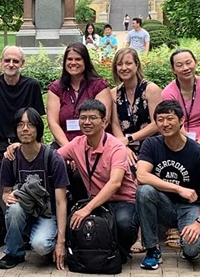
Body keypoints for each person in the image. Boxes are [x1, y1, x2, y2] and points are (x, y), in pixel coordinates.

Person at [136, 100, 200, 270]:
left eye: (170, 119)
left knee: (191, 250)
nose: (165, 124)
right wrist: (178, 188)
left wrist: (198, 222)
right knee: (144, 191)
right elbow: (142, 175)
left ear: (181, 120)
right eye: (160, 120)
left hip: (191, 207)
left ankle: (188, 244)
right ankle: (152, 250)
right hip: (164, 205)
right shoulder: (151, 144)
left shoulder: (198, 152)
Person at [0, 46, 45, 250]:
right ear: (1, 62)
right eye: (7, 61)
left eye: (16, 61)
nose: (11, 65)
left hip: (25, 145)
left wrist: (25, 143)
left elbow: (36, 123)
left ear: (22, 64)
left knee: (34, 183)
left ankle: (28, 229)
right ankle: (1, 226)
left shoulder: (31, 86)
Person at [57, 99, 139, 262]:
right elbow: (51, 158)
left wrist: (87, 208)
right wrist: (22, 147)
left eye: (93, 118)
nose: (87, 122)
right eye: (83, 118)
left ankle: (119, 252)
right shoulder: (76, 144)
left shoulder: (116, 147)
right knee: (76, 223)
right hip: (95, 200)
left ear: (104, 121)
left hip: (122, 201)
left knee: (123, 224)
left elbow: (115, 183)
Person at [0, 107, 70, 270]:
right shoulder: (11, 157)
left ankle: (49, 236)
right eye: (20, 125)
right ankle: (13, 253)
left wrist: (61, 242)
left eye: (30, 125)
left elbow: (61, 202)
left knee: (41, 246)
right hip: (24, 209)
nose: (25, 129)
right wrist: (7, 197)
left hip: (47, 213)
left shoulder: (53, 158)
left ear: (38, 128)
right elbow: (5, 193)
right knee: (14, 210)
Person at [46, 43, 111, 147]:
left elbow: (103, 120)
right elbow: (53, 123)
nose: (73, 62)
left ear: (85, 61)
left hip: (94, 144)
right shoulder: (56, 88)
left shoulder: (99, 86)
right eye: (70, 59)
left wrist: (83, 150)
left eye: (78, 59)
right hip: (64, 145)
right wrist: (69, 149)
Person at [109, 47, 161, 155]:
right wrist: (123, 146)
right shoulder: (114, 93)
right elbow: (115, 125)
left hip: (151, 146)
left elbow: (157, 123)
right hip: (125, 148)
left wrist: (129, 139)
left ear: (136, 65)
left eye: (128, 63)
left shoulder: (151, 89)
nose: (124, 68)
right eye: (119, 64)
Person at [161, 48, 200, 149]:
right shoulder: (168, 93)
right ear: (173, 69)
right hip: (178, 139)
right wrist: (192, 147)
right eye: (179, 65)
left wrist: (199, 146)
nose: (185, 68)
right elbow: (175, 123)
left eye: (188, 62)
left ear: (196, 63)